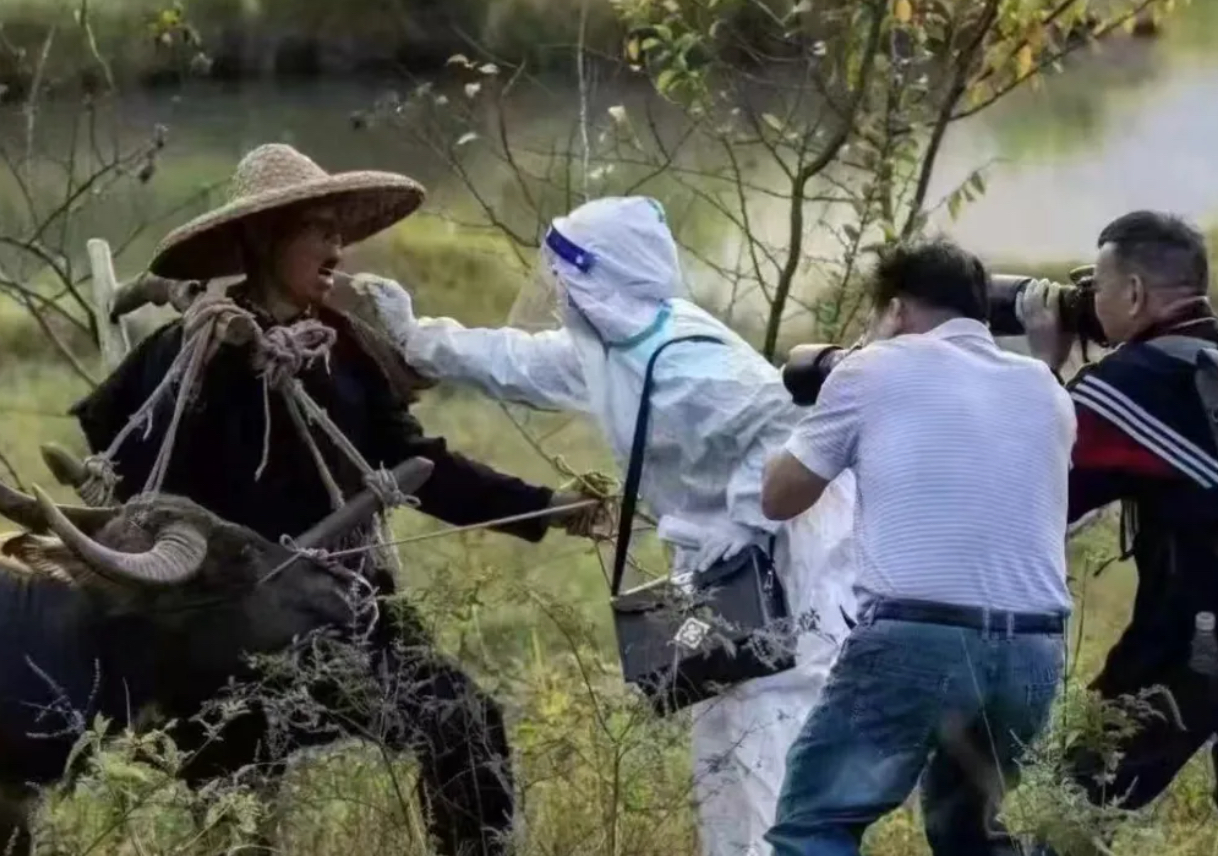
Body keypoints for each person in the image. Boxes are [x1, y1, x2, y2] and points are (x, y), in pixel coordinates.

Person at [67, 143, 602, 856]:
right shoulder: (188, 349)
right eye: (319, 230)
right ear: (264, 238)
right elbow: (126, 462)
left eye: (339, 231)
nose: (338, 248)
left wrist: (549, 506)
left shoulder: (345, 349)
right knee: (235, 807)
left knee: (463, 721)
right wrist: (205, 365)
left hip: (346, 609)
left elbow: (421, 467)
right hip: (227, 630)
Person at [356, 195, 860, 856]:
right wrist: (420, 336)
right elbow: (520, 362)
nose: (556, 294)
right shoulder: (622, 345)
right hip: (718, 582)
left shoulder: (692, 370)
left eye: (565, 279)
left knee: (774, 746)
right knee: (721, 738)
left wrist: (740, 518)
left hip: (786, 578)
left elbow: (800, 433)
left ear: (600, 280)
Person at [761, 238, 1075, 856]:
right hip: (1033, 651)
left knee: (815, 824)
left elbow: (779, 497)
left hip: (918, 639)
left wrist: (849, 373)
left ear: (897, 310)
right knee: (970, 837)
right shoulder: (1045, 386)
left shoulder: (874, 367)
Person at [1017, 211, 1218, 835]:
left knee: (1067, 803)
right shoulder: (1201, 364)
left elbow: (1033, 489)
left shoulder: (1136, 382)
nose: (1089, 304)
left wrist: (1045, 369)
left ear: (1133, 293)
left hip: (1196, 640)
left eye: (1096, 289)